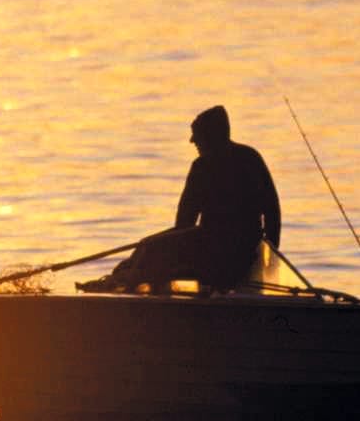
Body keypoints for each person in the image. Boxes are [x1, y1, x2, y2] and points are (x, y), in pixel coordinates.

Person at [82, 105, 281, 293]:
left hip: (216, 252)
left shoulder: (202, 166)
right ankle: (122, 279)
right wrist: (269, 257)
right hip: (242, 251)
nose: (192, 141)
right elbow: (273, 211)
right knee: (146, 246)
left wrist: (269, 259)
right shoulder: (251, 157)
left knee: (150, 249)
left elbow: (184, 222)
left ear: (213, 136)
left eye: (197, 136)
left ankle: (124, 287)